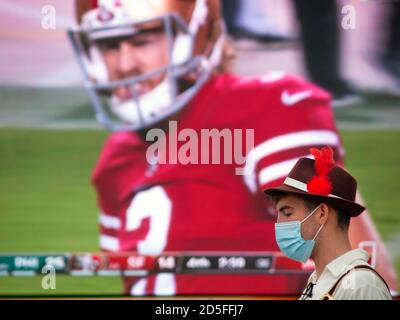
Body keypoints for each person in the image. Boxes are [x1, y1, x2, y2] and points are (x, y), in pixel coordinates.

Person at [68, 0, 397, 296]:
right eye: (108, 45)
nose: (124, 64)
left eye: (143, 41)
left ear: (196, 35)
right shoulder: (114, 161)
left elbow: (359, 278)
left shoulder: (263, 107)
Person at [264, 146, 392, 300]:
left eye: (287, 213)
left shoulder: (361, 285)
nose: (279, 223)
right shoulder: (317, 279)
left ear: (322, 213)